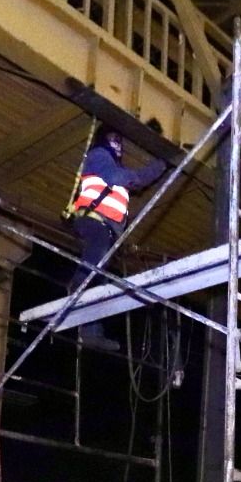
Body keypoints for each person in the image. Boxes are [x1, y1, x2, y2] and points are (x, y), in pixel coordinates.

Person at [63, 125, 167, 352]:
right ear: (103, 140)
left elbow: (136, 180)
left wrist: (161, 164)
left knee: (100, 280)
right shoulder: (98, 156)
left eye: (120, 141)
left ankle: (91, 332)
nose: (118, 145)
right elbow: (119, 177)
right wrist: (144, 173)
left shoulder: (114, 167)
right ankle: (78, 283)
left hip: (106, 229)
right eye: (114, 139)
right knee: (96, 260)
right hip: (94, 221)